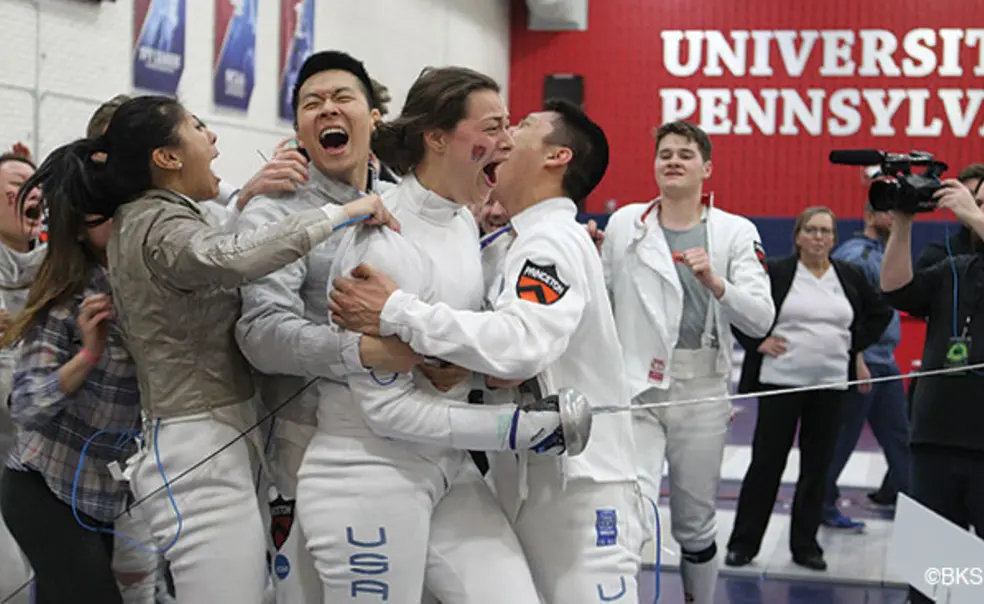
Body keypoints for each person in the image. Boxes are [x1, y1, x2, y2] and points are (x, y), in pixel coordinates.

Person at [17, 94, 397, 604]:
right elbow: (230, 256)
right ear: (167, 157)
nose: (213, 138)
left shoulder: (159, 216)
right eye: (198, 127)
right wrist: (342, 213)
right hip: (197, 453)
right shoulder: (155, 223)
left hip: (210, 443)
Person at [327, 98, 644, 604]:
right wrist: (462, 366)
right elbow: (503, 356)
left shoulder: (551, 241)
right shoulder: (507, 243)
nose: (506, 137)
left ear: (556, 156)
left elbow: (519, 344)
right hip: (531, 480)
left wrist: (397, 310)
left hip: (580, 489)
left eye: (522, 126)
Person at [296, 67, 576, 604]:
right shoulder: (384, 240)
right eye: (492, 127)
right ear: (438, 138)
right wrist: (515, 429)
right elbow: (386, 410)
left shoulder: (462, 221)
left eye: (509, 125)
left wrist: (463, 369)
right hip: (368, 474)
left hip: (446, 465)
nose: (508, 141)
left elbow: (452, 341)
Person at [234, 50, 415, 604]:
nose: (328, 109)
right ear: (298, 131)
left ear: (374, 117)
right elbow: (261, 332)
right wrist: (359, 351)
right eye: (313, 103)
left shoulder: (403, 201)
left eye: (342, 98)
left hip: (406, 436)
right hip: (306, 439)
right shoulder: (275, 210)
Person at [601, 120, 774, 604]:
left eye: (685, 154)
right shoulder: (626, 224)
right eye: (665, 154)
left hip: (701, 393)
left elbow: (761, 318)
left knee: (694, 524)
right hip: (636, 392)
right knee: (630, 510)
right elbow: (602, 301)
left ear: (707, 168)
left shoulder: (735, 231)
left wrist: (717, 284)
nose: (673, 161)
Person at [0, 162, 153, 603]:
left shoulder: (140, 286)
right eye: (106, 212)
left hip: (105, 491)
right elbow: (25, 404)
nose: (123, 220)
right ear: (82, 227)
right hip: (42, 486)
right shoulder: (67, 293)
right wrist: (87, 355)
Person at [726, 207, 893, 572]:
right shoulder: (778, 272)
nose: (819, 237)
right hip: (780, 383)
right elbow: (739, 308)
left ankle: (805, 546)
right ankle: (743, 544)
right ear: (798, 236)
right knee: (766, 464)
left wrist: (852, 345)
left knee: (817, 468)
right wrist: (757, 342)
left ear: (834, 238)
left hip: (830, 385)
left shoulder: (847, 275)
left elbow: (881, 312)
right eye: (812, 230)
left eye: (826, 231)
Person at [879, 180, 984, 604]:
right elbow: (895, 288)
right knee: (934, 580)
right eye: (978, 202)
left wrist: (971, 213)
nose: (975, 210)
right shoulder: (956, 269)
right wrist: (902, 224)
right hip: (936, 440)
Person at [821, 203, 910, 531]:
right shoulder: (856, 256)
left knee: (900, 435)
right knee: (842, 439)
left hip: (885, 360)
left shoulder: (885, 252)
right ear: (870, 216)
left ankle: (906, 495)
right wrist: (856, 357)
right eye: (889, 211)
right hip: (863, 361)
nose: (895, 217)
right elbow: (845, 313)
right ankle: (820, 503)